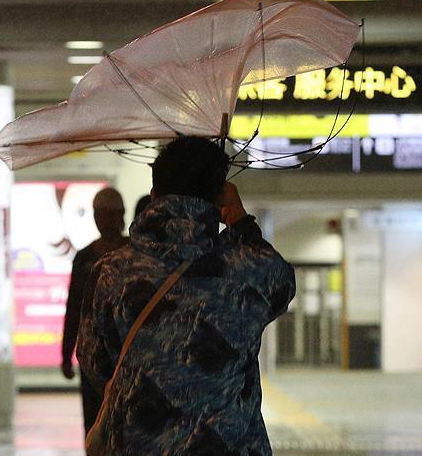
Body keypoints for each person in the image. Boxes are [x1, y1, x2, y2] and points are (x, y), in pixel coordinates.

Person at [77, 136, 295, 454]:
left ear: (154, 195)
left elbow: (94, 362)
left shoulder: (111, 272)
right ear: (221, 197)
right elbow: (282, 284)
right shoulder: (245, 269)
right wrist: (240, 221)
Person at [61, 187, 128, 434]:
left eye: (109, 214)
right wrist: (66, 352)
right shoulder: (84, 258)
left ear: (121, 215)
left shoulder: (134, 254)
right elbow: (74, 308)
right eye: (100, 214)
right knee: (95, 423)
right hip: (97, 355)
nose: (104, 220)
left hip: (126, 354)